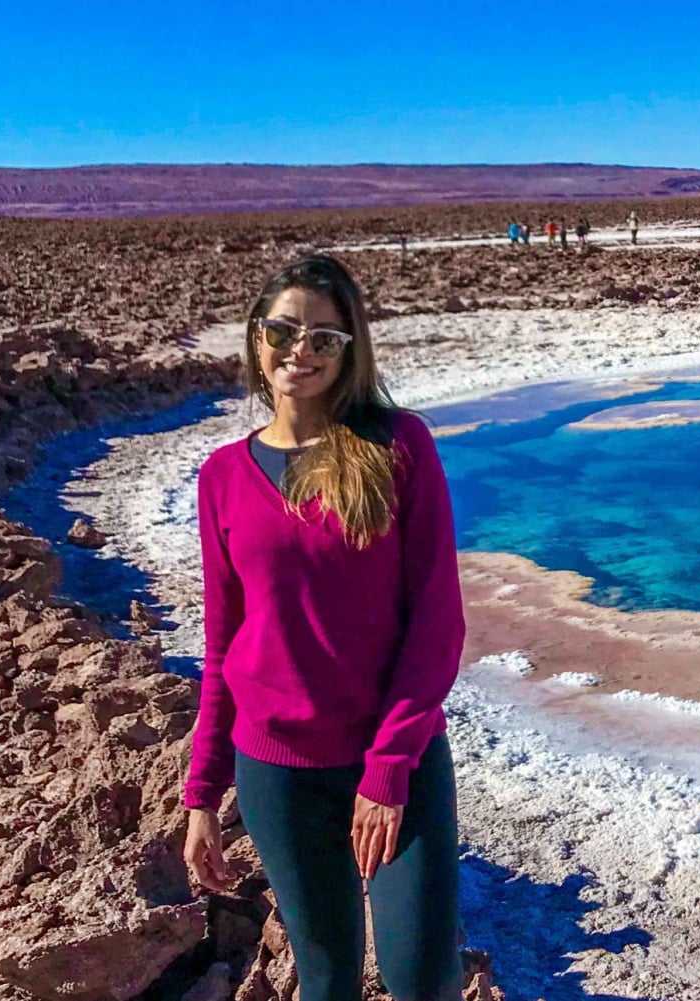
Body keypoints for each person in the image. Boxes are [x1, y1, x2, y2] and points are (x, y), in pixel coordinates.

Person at [182, 256, 465, 1001]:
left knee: (425, 980)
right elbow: (224, 648)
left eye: (323, 339)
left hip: (397, 765)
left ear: (350, 351)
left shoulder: (396, 447)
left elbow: (436, 623)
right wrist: (202, 794)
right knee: (327, 977)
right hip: (278, 772)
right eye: (281, 330)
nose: (298, 352)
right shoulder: (220, 476)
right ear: (255, 337)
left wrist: (387, 766)